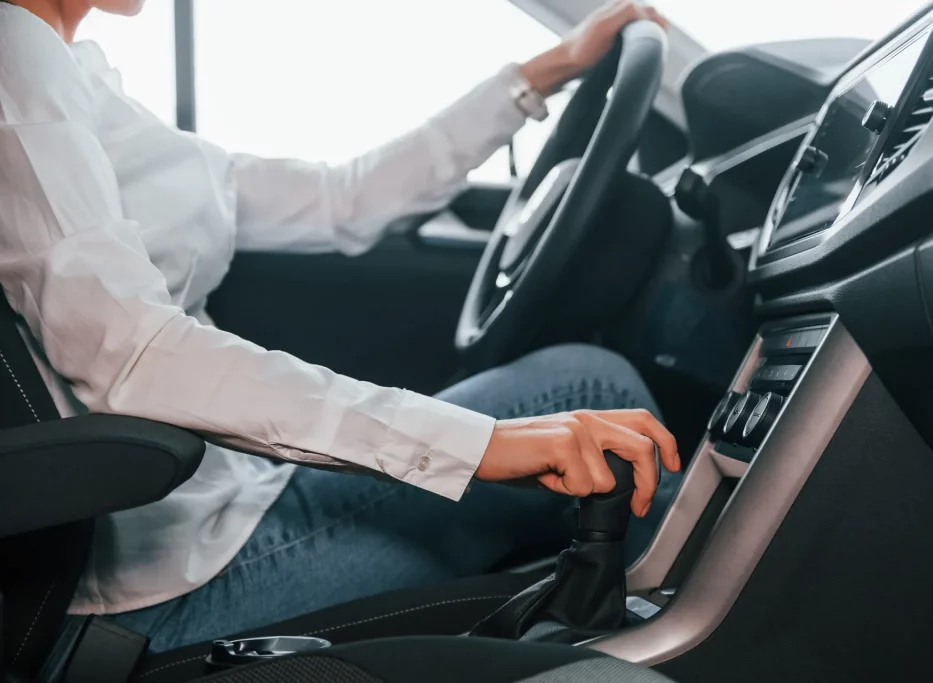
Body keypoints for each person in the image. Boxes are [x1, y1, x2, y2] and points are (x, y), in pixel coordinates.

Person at [0, 0, 680, 653]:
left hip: (230, 501)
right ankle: (693, 640)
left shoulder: (74, 73)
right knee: (586, 385)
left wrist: (544, 72)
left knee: (581, 386)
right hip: (167, 584)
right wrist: (476, 445)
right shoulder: (15, 59)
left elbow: (342, 200)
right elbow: (134, 354)